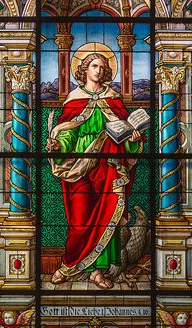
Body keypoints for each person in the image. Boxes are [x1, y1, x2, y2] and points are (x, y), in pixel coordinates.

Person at [46, 47, 143, 289]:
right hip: (79, 165)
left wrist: (133, 139)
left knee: (107, 217)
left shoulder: (113, 99)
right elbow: (68, 133)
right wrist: (58, 145)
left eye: (102, 67)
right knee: (79, 221)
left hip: (109, 166)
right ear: (84, 70)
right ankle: (69, 265)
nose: (99, 71)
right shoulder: (75, 99)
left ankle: (98, 272)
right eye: (94, 66)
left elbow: (125, 133)